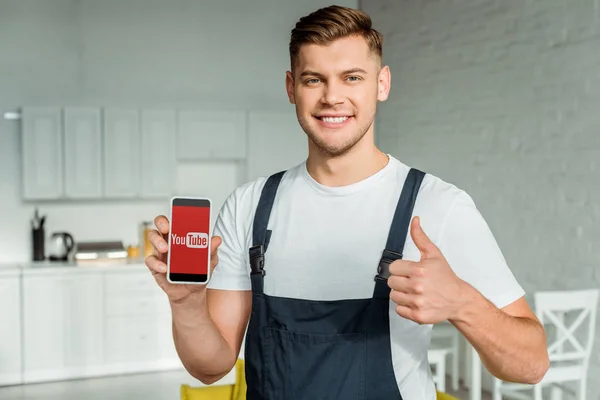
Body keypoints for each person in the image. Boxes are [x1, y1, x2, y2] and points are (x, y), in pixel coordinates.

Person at [145, 5, 549, 399]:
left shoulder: (439, 205)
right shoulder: (249, 206)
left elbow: (531, 365)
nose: (332, 97)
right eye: (313, 79)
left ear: (382, 83)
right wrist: (187, 303)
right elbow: (210, 366)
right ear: (291, 88)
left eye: (352, 77)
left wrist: (462, 302)